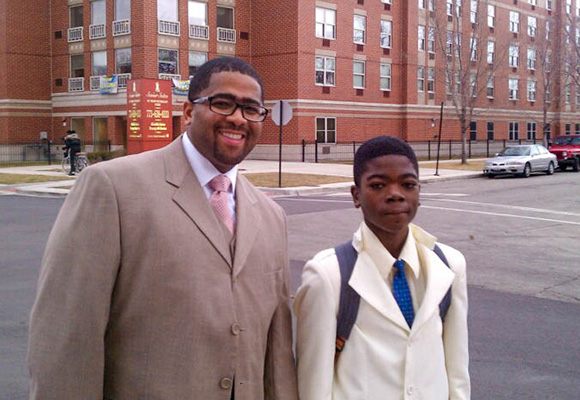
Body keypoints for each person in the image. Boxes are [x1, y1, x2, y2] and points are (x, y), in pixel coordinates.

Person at [28, 57, 298, 400]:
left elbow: (276, 352)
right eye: (222, 103)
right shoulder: (112, 188)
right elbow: (67, 339)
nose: (237, 118)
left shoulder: (272, 216)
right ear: (188, 112)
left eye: (250, 109)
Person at [293, 136, 470, 400]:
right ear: (356, 195)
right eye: (378, 185)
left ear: (419, 193)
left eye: (408, 184)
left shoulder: (448, 265)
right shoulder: (328, 275)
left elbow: (456, 370)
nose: (395, 194)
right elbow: (313, 386)